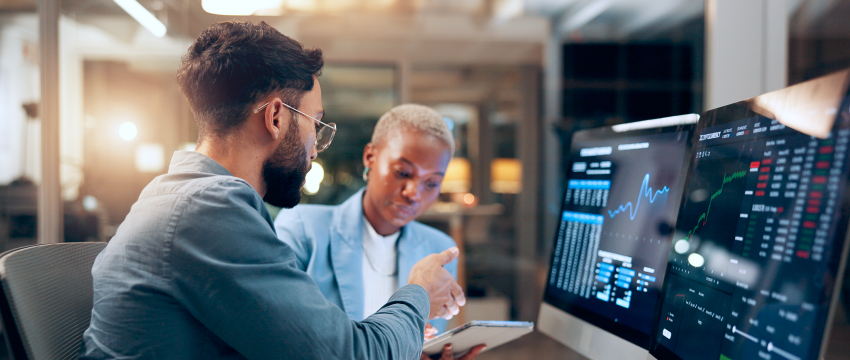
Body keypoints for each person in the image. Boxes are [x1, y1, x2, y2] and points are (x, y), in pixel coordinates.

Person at [80, 21, 465, 360]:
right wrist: (417, 293)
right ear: (276, 117)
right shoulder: (211, 211)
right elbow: (348, 355)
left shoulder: (180, 198)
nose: (315, 147)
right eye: (315, 124)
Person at [274, 104, 485, 360]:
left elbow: (422, 344)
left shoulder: (438, 250)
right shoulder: (302, 229)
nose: (413, 193)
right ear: (370, 158)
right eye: (403, 173)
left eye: (431, 183)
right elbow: (284, 338)